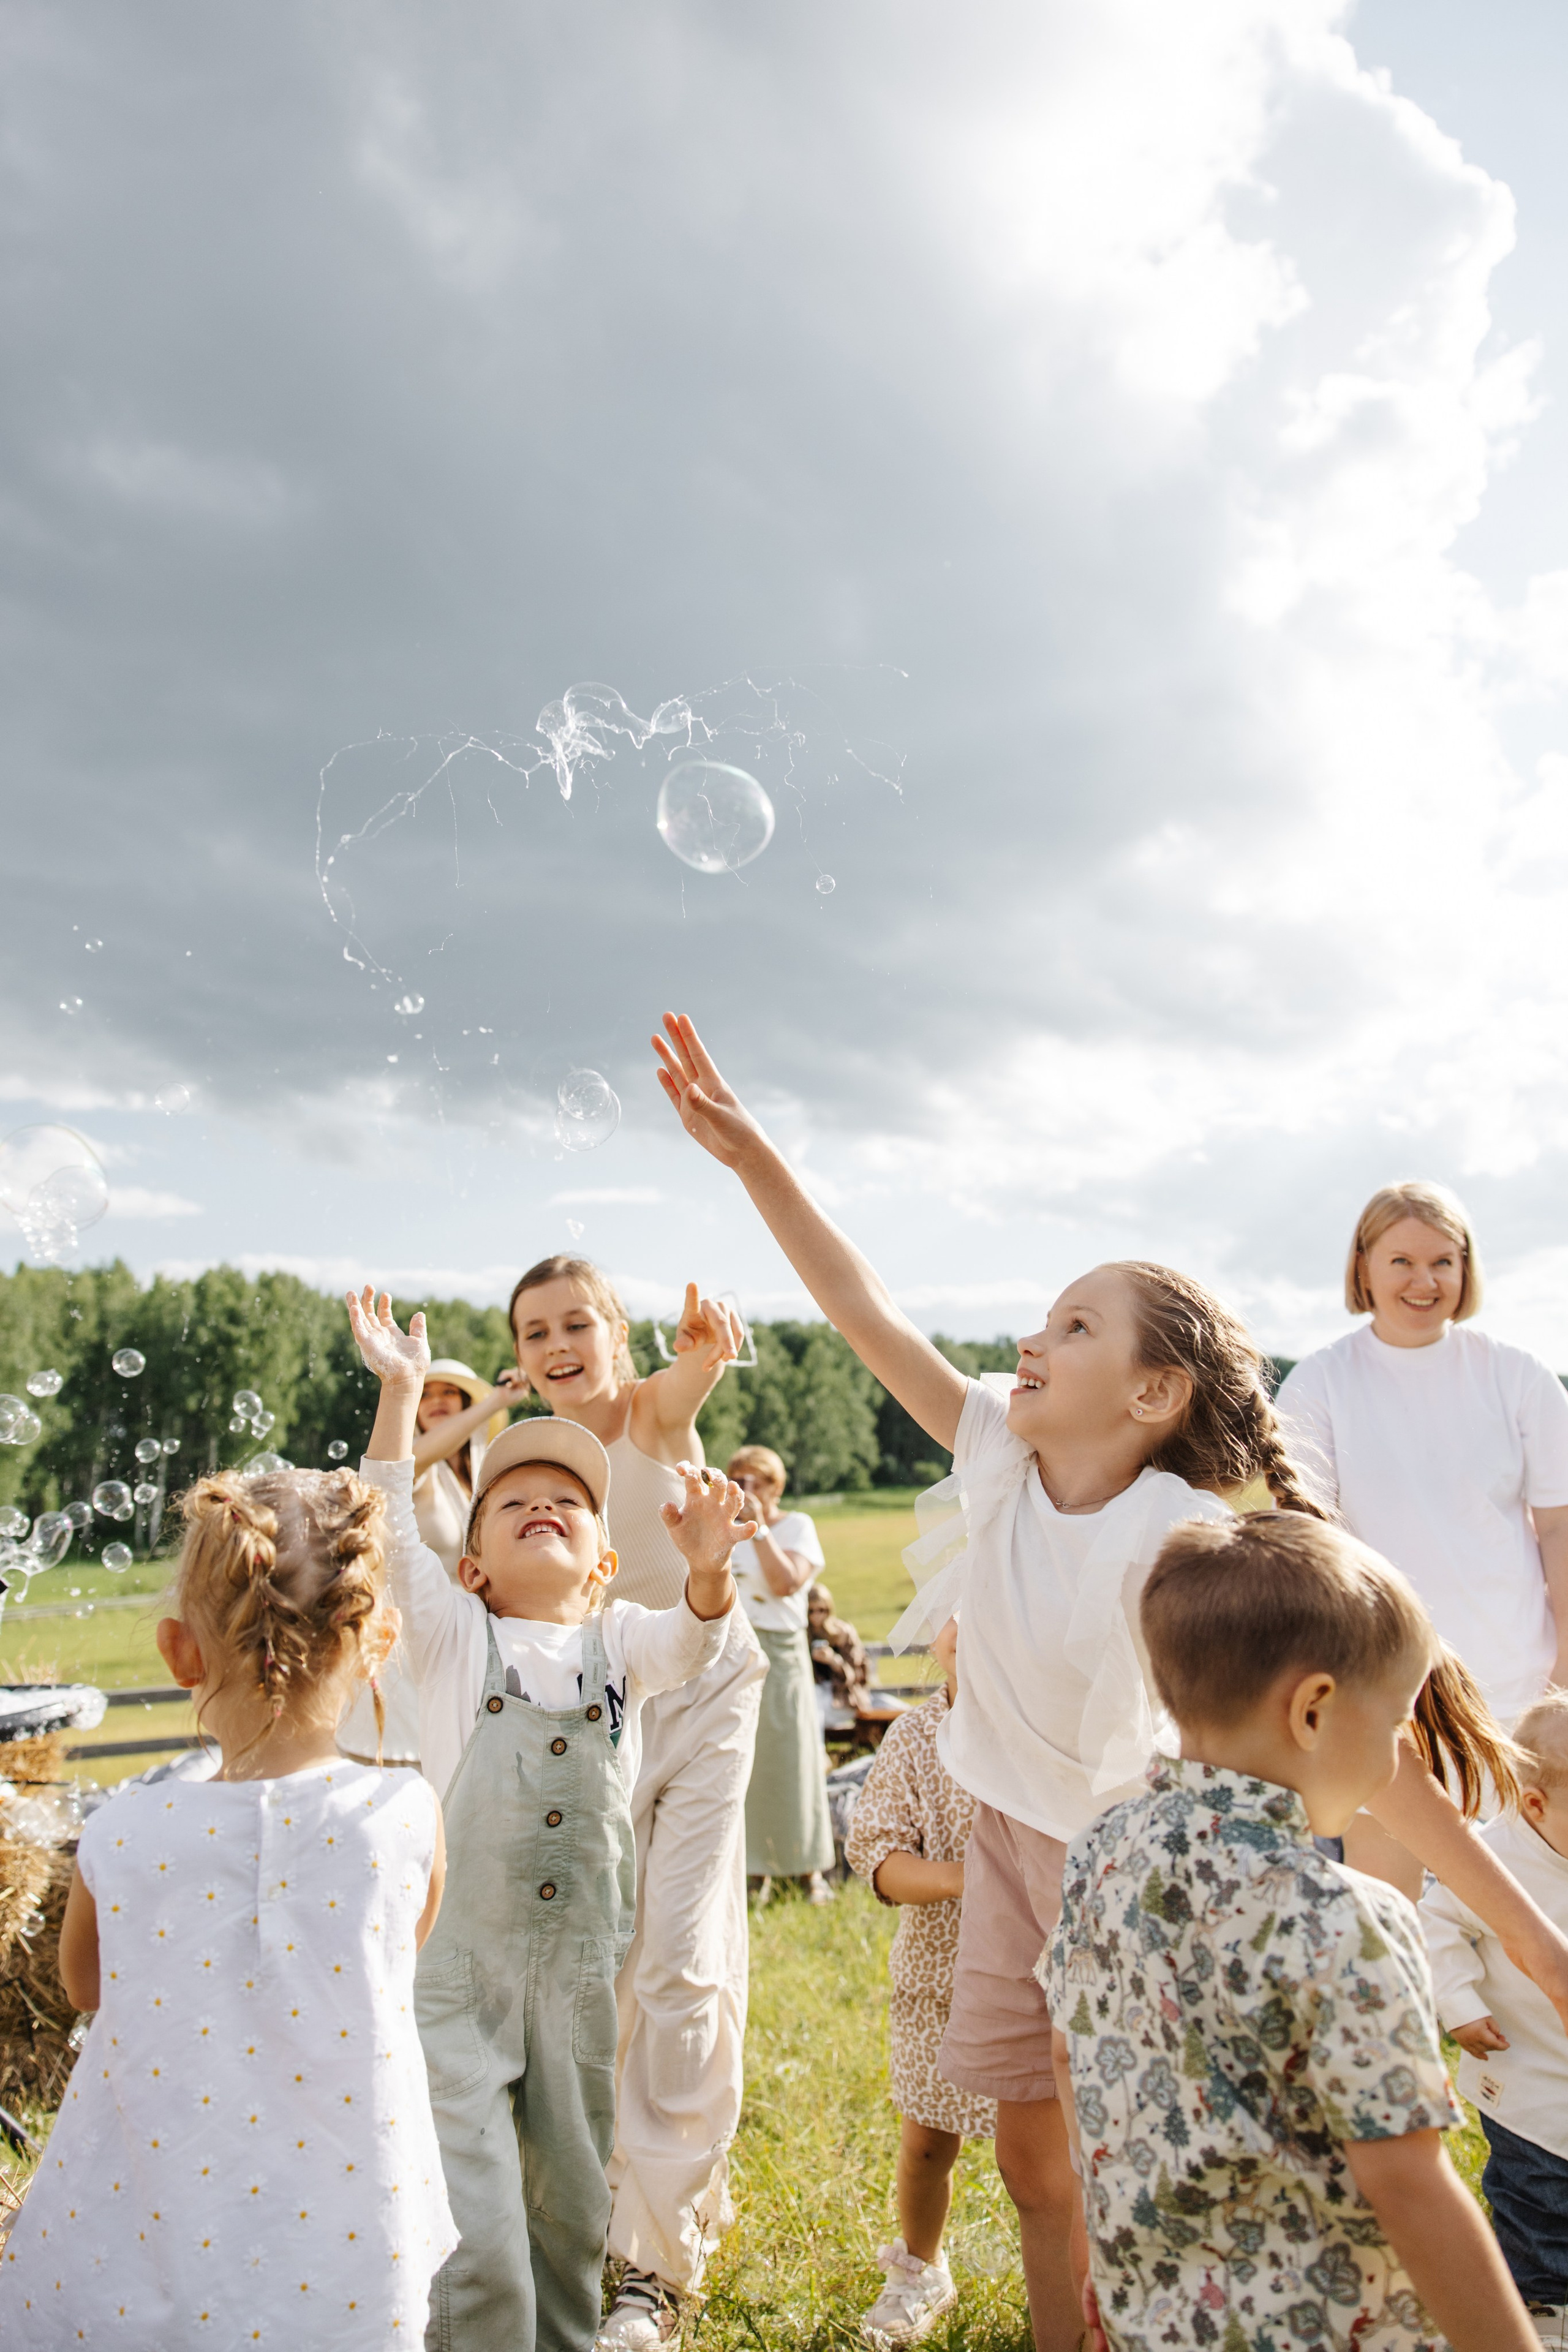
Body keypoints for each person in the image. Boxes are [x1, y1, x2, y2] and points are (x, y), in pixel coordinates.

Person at [650, 1009, 1568, 2352]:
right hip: (1012, 1840)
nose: (1031, 1340)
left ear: (1151, 1394)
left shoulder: (1179, 1543)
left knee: (1129, 2159)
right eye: (1039, 1318)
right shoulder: (996, 1452)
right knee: (1031, 2170)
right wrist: (751, 1160)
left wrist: (1538, 1946)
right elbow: (860, 1308)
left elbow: (1377, 1761)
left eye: (1073, 1325)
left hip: (1136, 1866)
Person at [347, 1284, 756, 2352]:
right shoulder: (447, 1634)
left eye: (571, 1502)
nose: (544, 1504)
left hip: (578, 1979)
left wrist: (710, 1572)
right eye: (511, 1499)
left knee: (570, 2207)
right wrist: (399, 1392)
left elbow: (694, 1647)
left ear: (606, 1564)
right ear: (471, 1562)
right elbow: (389, 1523)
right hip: (461, 1978)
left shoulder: (620, 1643)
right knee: (477, 2219)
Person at [1045, 1509, 1539, 2352]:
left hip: (1152, 2320)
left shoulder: (1099, 1853)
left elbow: (1070, 2056)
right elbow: (1410, 2186)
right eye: (1394, 1727)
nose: (1394, 1759)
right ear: (1314, 1710)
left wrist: (1100, 2255)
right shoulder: (1348, 1916)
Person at [2, 1462, 455, 2346]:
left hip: (147, 2226)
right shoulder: (405, 1814)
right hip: (348, 2233)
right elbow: (401, 1950)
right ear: (379, 1642)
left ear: (179, 1652)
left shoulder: (124, 1831)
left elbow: (85, 1986)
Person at [507, 1254, 767, 2346]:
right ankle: (653, 2187)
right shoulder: (520, 1453)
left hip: (702, 1692)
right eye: (534, 1333)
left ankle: (652, 2269)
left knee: (677, 1963)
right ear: (518, 1356)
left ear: (616, 1332)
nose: (558, 1344)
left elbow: (691, 1380)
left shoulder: (649, 1416)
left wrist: (707, 1346)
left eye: (577, 1323)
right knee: (605, 1965)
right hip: (607, 1706)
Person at [1278, 1180, 1568, 1892]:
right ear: (1363, 1263)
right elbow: (1306, 1541)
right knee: (1397, 1916)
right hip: (1383, 1696)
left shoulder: (1518, 1375)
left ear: (1466, 1268)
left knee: (1519, 1918)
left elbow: (1559, 1529)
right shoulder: (1320, 1383)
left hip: (1515, 1689)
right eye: (1401, 1260)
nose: (1424, 1280)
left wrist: (1561, 1675)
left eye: (1443, 1261)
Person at [846, 1617, 995, 2349]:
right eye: (955, 1609)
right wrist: (961, 1878)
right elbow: (878, 1856)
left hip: (1038, 1976)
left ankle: (1074, 2263)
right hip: (940, 1977)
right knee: (928, 2142)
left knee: (1048, 2150)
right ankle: (920, 2267)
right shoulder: (915, 1738)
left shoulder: (1052, 1728)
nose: (970, 1626)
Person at [1423, 1691, 1568, 2346]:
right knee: (1538, 2204)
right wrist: (1459, 2007)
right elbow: (1437, 1926)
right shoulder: (1493, 1860)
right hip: (1528, 2081)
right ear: (1536, 1806)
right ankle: (1542, 2316)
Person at [339, 1354, 521, 1765]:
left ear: (463, 1403)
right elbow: (408, 1462)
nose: (436, 1401)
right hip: (404, 1644)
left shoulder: (480, 1483)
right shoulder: (412, 1467)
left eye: (449, 1393)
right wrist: (495, 1401)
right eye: (427, 1395)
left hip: (464, 1648)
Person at [727, 1444, 835, 1905]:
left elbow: (786, 1582)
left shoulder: (797, 1527)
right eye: (739, 1482)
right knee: (743, 1760)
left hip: (783, 1648)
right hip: (736, 1650)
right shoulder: (728, 1530)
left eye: (756, 1482)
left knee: (791, 1757)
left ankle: (806, 1868)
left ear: (776, 1487)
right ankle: (754, 1871)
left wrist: (760, 1531)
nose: (747, 1491)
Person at [809, 1579, 872, 1719]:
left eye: (821, 1610)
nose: (816, 1616)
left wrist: (833, 1661)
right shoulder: (803, 1635)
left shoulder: (843, 1633)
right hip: (815, 1694)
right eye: (811, 1611)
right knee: (812, 1702)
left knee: (813, 1710)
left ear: (829, 1609)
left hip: (845, 1698)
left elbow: (856, 1675)